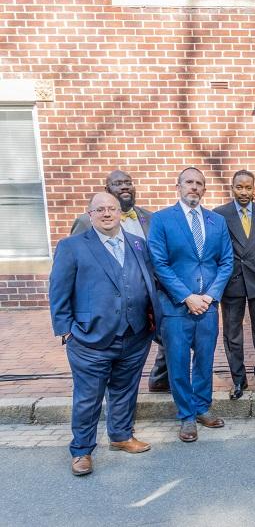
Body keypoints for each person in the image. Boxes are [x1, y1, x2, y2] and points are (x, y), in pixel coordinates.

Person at [50, 193, 160, 476]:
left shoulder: (138, 244)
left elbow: (147, 282)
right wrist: (66, 331)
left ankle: (121, 436)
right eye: (100, 209)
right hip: (89, 338)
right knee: (88, 398)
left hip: (134, 335)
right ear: (90, 214)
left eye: (112, 208)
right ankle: (82, 450)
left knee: (125, 390)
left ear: (120, 213)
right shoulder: (72, 246)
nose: (107, 213)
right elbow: (59, 291)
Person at [148, 167, 234, 443]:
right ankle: (185, 415)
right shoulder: (161, 220)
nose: (194, 187)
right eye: (189, 182)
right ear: (179, 186)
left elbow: (226, 261)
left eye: (199, 183)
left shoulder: (216, 221)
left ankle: (202, 408)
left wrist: (210, 296)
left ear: (204, 189)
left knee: (205, 359)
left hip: (208, 305)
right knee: (178, 360)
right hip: (176, 306)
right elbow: (159, 263)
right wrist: (187, 296)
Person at [70, 169, 170, 393]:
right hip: (108, 306)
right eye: (118, 184)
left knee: (168, 338)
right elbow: (72, 269)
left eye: (128, 183)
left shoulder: (150, 218)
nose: (124, 187)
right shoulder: (86, 222)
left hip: (149, 296)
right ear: (108, 190)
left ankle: (160, 378)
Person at [214, 170, 255, 400]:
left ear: (254, 190)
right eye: (239, 187)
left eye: (248, 187)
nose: (243, 192)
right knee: (233, 333)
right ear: (232, 188)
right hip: (232, 280)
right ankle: (238, 380)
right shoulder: (220, 214)